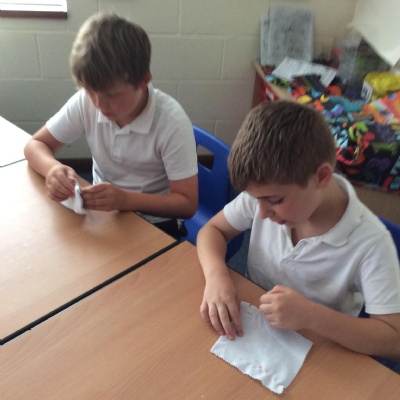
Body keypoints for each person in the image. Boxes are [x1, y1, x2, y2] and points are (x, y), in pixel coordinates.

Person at [197, 100, 400, 361]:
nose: (262, 213)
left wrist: (311, 316)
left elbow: (394, 340)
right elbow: (212, 230)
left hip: (319, 351)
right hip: (255, 328)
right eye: (256, 199)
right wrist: (216, 276)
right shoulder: (265, 192)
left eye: (274, 201)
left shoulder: (371, 243)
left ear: (322, 177)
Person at [24, 12, 198, 240]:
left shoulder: (171, 123)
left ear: (144, 82)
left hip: (155, 220)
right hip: (102, 209)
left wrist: (125, 200)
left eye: (113, 95)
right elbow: (35, 145)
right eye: (90, 91)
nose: (99, 104)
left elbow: (187, 204)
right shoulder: (86, 102)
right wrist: (52, 169)